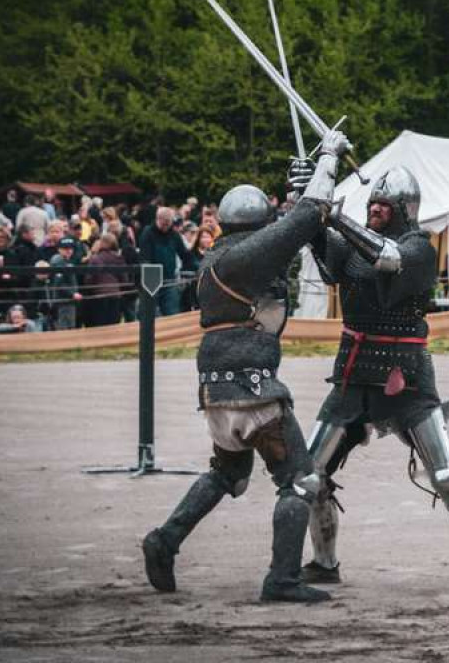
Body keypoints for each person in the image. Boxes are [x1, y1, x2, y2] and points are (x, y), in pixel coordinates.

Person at [142, 129, 351, 604]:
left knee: (228, 474)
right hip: (253, 388)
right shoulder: (243, 259)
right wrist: (330, 157)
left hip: (218, 391)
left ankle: (165, 540)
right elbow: (307, 218)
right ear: (257, 227)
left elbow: (297, 228)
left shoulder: (224, 259)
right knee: (300, 479)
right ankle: (282, 579)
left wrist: (301, 184)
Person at [294, 163, 449, 586]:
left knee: (448, 477)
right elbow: (324, 247)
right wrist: (308, 200)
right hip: (352, 375)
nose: (377, 209)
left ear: (404, 209)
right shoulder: (352, 243)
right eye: (373, 204)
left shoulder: (420, 247)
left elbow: (386, 258)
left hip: (408, 378)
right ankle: (324, 563)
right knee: (308, 472)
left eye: (384, 204)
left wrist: (336, 216)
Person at [139, 207, 194, 316]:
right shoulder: (148, 233)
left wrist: (195, 266)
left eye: (168, 224)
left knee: (172, 312)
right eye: (164, 224)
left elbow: (185, 255)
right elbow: (145, 257)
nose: (166, 227)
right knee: (151, 314)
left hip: (169, 279)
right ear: (157, 219)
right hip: (151, 278)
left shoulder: (174, 234)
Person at [84, 233, 127, 327]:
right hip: (115, 295)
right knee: (114, 325)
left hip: (99, 296)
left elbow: (89, 280)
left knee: (100, 326)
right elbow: (124, 279)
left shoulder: (95, 259)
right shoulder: (119, 258)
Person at [49, 236, 82, 329]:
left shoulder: (67, 262)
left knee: (69, 325)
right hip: (63, 301)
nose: (69, 251)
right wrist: (72, 294)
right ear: (59, 249)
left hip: (68, 301)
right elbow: (58, 284)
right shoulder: (59, 262)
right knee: (65, 326)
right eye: (65, 248)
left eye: (70, 248)